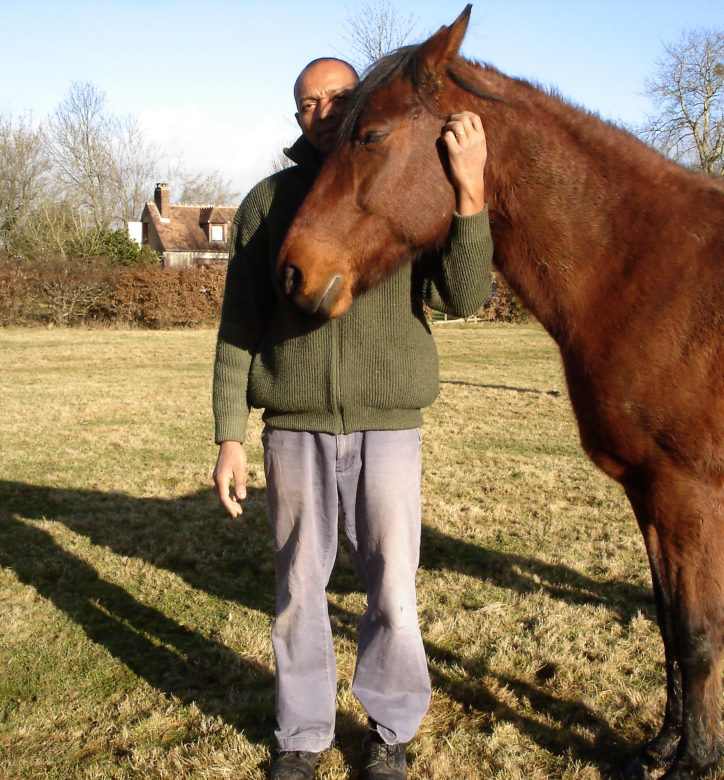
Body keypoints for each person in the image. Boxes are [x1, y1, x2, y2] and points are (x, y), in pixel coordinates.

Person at [212, 56, 493, 780]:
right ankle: (302, 736)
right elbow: (238, 326)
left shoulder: (405, 185)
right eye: (308, 103)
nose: (324, 110)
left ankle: (390, 731)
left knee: (393, 588)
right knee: (299, 591)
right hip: (295, 427)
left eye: (338, 96)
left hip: (389, 424)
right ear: (297, 117)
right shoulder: (267, 204)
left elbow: (465, 296)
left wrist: (469, 194)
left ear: (361, 100)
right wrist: (228, 437)